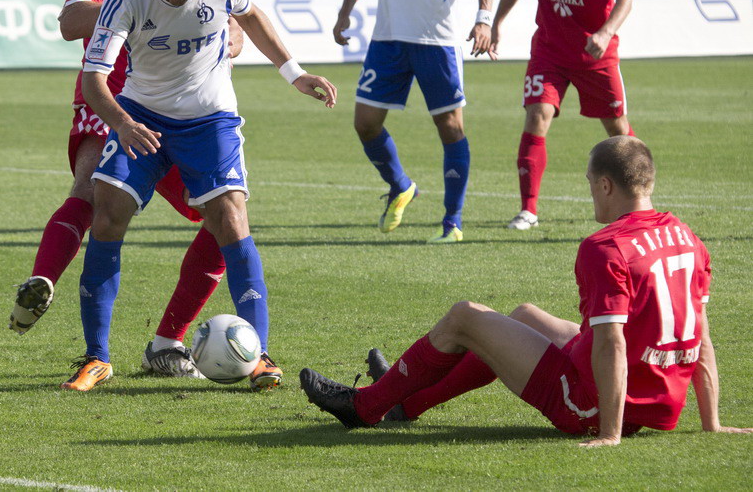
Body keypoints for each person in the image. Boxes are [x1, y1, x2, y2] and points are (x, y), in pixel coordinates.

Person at [7, 0, 274, 387]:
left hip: (189, 109)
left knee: (221, 221)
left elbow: (237, 26)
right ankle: (47, 285)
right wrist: (129, 2)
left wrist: (222, 30)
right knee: (94, 192)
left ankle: (168, 340)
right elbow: (70, 20)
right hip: (115, 96)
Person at [301, 136, 752, 445]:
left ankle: (364, 407)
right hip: (647, 394)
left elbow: (613, 343)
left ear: (606, 185)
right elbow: (701, 335)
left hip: (594, 405)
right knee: (522, 315)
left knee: (464, 316)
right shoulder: (686, 237)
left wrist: (609, 433)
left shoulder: (607, 247)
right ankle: (406, 403)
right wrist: (711, 423)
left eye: (591, 185)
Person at [61, 0, 336, 391]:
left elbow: (250, 16)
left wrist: (294, 73)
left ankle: (261, 358)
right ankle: (96, 357)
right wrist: (124, 124)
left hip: (210, 120)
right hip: (140, 115)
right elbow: (94, 80)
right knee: (107, 213)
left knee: (231, 219)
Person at [333, 0, 493, 243]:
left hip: (436, 40)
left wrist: (484, 18)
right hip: (388, 36)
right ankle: (401, 185)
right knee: (365, 123)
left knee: (451, 127)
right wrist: (344, 11)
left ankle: (452, 222)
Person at [488, 0, 637, 231]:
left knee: (617, 132)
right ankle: (528, 210)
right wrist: (497, 23)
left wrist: (605, 32)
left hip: (595, 54)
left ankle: (637, 204)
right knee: (537, 114)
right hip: (550, 52)